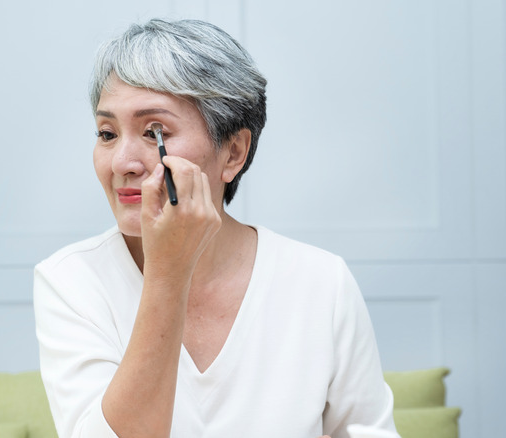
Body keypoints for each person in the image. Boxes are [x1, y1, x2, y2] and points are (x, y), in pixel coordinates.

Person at [33, 18, 397, 438]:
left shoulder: (321, 282)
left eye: (155, 132)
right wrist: (168, 273)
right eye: (107, 133)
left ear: (234, 152)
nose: (122, 163)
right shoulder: (71, 281)